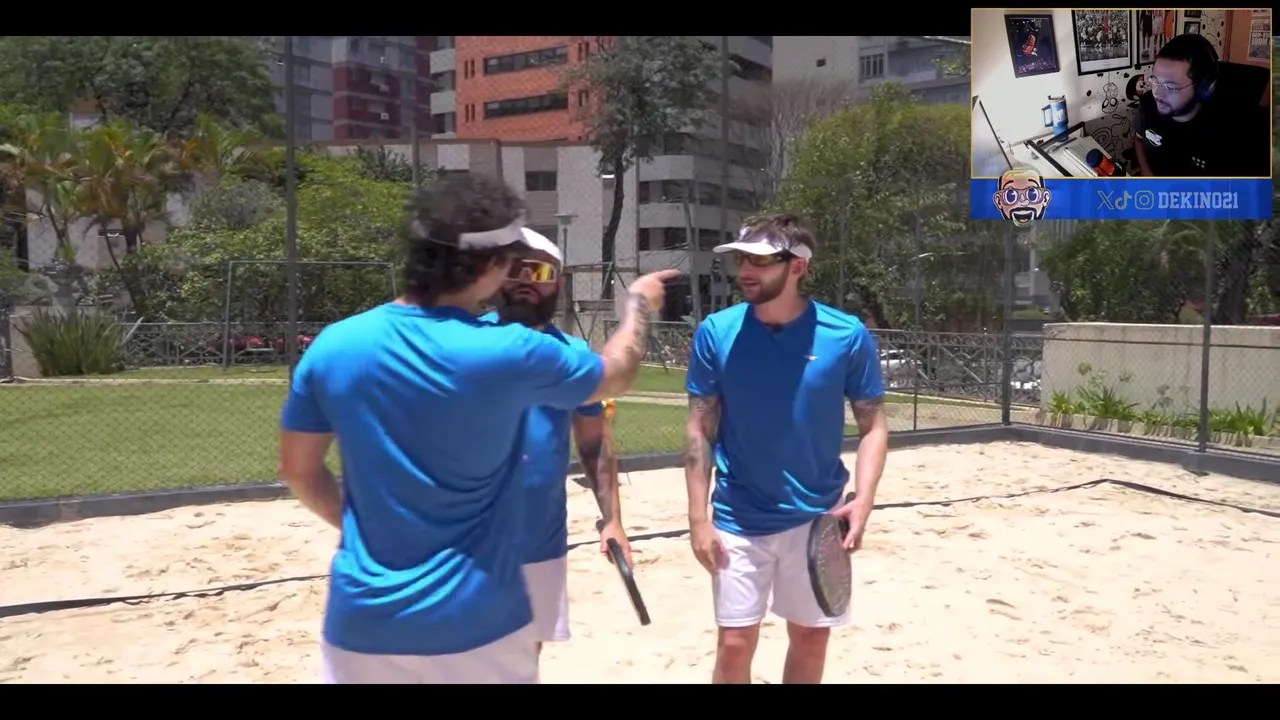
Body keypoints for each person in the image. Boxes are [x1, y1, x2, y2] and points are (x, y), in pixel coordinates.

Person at [276, 171, 678, 684]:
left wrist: (365, 529)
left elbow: (300, 472)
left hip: (362, 623)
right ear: (490, 266)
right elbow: (617, 374)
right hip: (477, 616)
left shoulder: (335, 344)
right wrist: (637, 307)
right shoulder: (508, 351)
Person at [682, 214, 890, 685]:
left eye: (759, 261)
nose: (745, 270)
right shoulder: (716, 332)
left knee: (811, 639)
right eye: (741, 259)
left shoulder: (846, 335)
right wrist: (697, 518)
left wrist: (864, 499)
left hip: (818, 518)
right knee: (735, 644)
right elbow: (699, 427)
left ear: (798, 266)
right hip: (737, 514)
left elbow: (873, 424)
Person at [481, 227, 632, 660]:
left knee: (525, 656)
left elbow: (594, 445)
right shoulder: (461, 342)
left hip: (540, 536)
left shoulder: (575, 356)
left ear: (559, 283)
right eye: (514, 268)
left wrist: (613, 521)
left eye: (540, 270)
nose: (526, 279)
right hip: (468, 536)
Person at [1134, 33, 1270, 178]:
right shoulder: (1148, 103)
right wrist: (1146, 171)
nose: (1157, 94)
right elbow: (1139, 139)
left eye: (1170, 87)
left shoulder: (1235, 129)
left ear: (1204, 88)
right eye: (1155, 81)